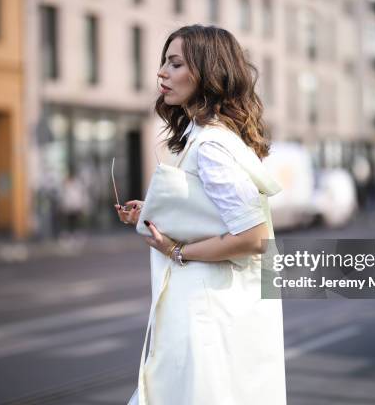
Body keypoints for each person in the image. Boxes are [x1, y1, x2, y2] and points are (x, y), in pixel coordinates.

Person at [117, 25, 287, 404]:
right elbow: (212, 211)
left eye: (175, 63)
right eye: (163, 61)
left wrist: (176, 250)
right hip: (205, 311)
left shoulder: (211, 145)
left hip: (207, 315)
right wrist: (153, 212)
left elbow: (253, 237)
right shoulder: (204, 135)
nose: (161, 71)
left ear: (207, 72)